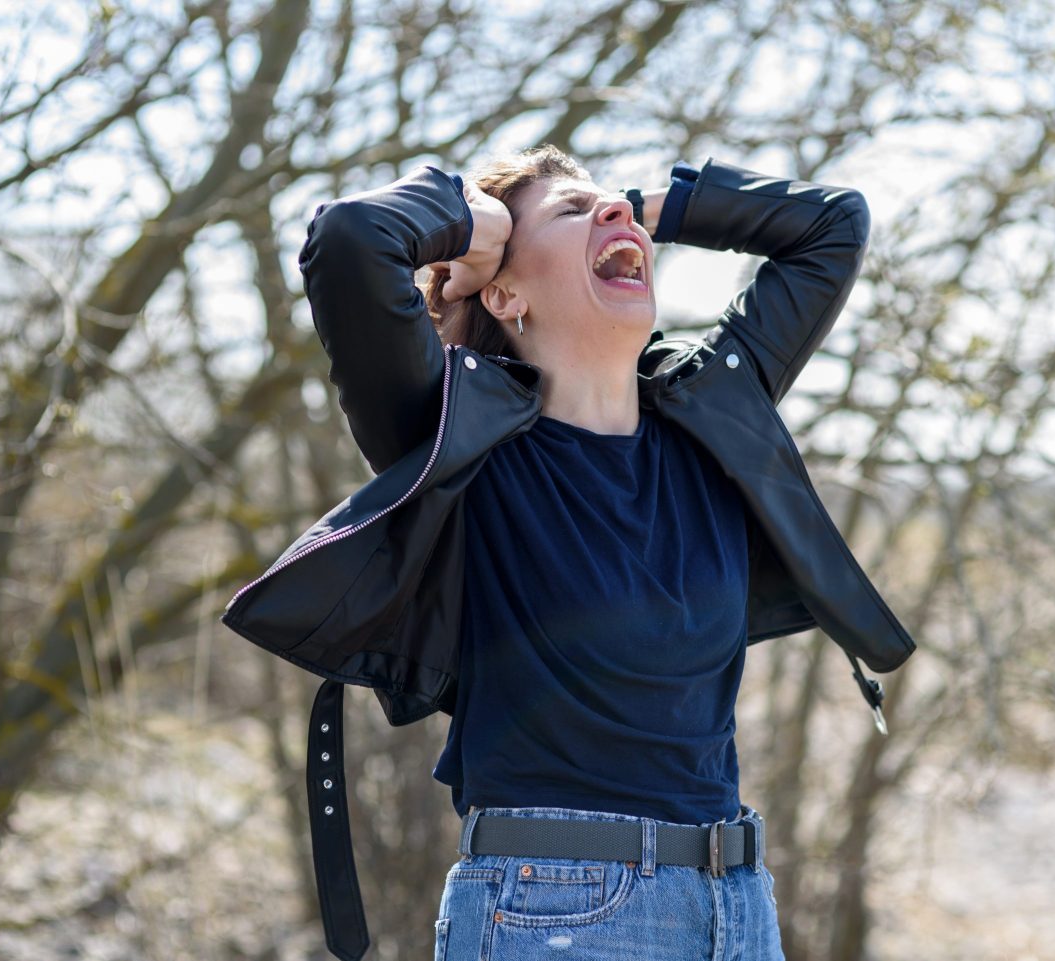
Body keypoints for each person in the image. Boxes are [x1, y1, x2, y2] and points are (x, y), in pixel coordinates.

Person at [221, 144, 916, 961]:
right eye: (570, 210)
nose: (611, 215)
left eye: (608, 207)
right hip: (555, 909)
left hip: (736, 904)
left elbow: (833, 225)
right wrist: (477, 223)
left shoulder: (717, 413)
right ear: (506, 291)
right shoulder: (458, 434)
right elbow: (350, 239)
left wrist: (638, 205)